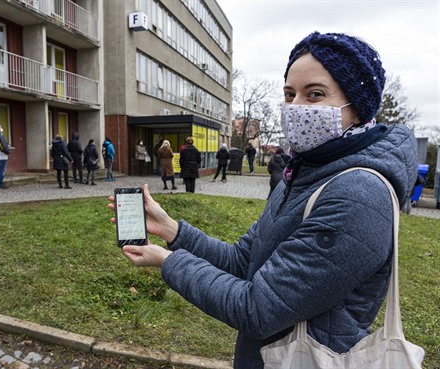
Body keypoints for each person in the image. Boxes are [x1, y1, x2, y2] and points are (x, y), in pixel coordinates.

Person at [109, 32, 417, 369]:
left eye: (314, 94)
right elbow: (244, 262)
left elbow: (258, 308)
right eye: (289, 94)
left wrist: (169, 262)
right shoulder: (304, 172)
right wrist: (173, 231)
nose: (296, 107)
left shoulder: (357, 195)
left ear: (357, 107)